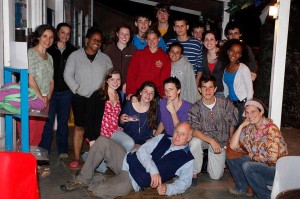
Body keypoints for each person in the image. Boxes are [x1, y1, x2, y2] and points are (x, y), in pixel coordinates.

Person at [61, 122, 194, 198]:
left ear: (189, 138)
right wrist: (153, 170)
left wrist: (168, 188)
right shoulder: (162, 138)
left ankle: (96, 179)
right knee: (102, 141)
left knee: (100, 191)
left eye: (183, 134)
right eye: (177, 131)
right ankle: (83, 179)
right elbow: (142, 150)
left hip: (134, 179)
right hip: (126, 160)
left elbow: (185, 183)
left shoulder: (187, 159)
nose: (177, 136)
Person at [64, 27, 113, 168]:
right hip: (80, 97)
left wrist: (105, 92)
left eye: (99, 41)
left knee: (96, 129)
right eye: (94, 40)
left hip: (98, 99)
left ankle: (94, 159)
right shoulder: (75, 56)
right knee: (79, 128)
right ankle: (77, 157)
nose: (97, 43)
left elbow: (110, 77)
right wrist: (77, 88)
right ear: (87, 40)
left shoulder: (105, 58)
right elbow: (67, 75)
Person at [227, 99, 288, 199]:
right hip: (260, 164)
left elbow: (272, 159)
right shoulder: (250, 127)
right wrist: (241, 126)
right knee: (231, 155)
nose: (250, 115)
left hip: (276, 170)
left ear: (261, 112)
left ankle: (265, 196)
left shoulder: (272, 130)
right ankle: (242, 187)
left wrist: (254, 157)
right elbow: (233, 146)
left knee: (248, 166)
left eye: (253, 111)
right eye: (247, 112)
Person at [187, 75, 238, 186]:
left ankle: (209, 162)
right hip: (204, 140)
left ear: (215, 89)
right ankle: (194, 172)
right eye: (204, 87)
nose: (207, 90)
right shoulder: (195, 107)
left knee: (215, 176)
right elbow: (194, 131)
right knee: (194, 142)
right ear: (200, 89)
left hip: (221, 141)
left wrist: (230, 141)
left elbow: (232, 122)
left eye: (210, 87)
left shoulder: (225, 103)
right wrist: (211, 141)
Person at [39, 23, 77, 158]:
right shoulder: (49, 50)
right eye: (62, 32)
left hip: (66, 92)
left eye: (68, 33)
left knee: (63, 123)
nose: (65, 36)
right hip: (50, 93)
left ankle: (62, 150)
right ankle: (44, 151)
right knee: (47, 123)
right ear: (57, 33)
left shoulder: (73, 51)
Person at [83, 68, 132, 172]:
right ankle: (88, 155)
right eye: (112, 79)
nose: (115, 82)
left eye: (118, 79)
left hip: (114, 130)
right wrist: (92, 140)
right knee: (103, 169)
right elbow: (88, 119)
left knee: (130, 143)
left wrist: (121, 119)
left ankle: (121, 164)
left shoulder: (119, 95)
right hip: (101, 133)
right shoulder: (97, 95)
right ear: (106, 80)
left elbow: (116, 115)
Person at [17, 24, 55, 146]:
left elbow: (51, 80)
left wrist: (48, 97)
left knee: (39, 134)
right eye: (45, 36)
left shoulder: (49, 57)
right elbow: (30, 79)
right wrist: (41, 98)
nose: (48, 40)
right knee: (28, 134)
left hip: (44, 100)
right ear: (38, 37)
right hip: (30, 98)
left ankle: (33, 163)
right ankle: (22, 163)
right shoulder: (30, 54)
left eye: (51, 37)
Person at [126, 28, 171, 98]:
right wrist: (130, 92)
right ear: (146, 40)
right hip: (138, 93)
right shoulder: (138, 54)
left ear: (159, 39)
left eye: (154, 38)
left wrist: (163, 94)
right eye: (149, 39)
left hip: (155, 95)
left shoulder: (165, 58)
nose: (152, 41)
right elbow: (131, 74)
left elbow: (165, 78)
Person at [219, 39, 254, 125]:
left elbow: (250, 92)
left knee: (240, 130)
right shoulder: (226, 68)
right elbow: (226, 88)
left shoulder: (244, 69)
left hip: (242, 105)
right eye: (232, 51)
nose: (234, 54)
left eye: (238, 52)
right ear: (228, 51)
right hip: (232, 105)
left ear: (241, 55)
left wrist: (246, 111)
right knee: (232, 130)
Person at [120, 81, 160, 151]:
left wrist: (151, 140)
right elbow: (121, 124)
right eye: (146, 91)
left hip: (144, 143)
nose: (148, 95)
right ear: (140, 92)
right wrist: (121, 120)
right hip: (127, 141)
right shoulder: (129, 104)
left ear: (153, 96)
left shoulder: (155, 109)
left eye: (151, 93)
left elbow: (155, 129)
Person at [166, 17, 203, 87]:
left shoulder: (196, 44)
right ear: (174, 28)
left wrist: (196, 81)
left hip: (191, 82)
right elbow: (167, 62)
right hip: (173, 83)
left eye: (182, 26)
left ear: (187, 27)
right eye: (177, 26)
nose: (180, 29)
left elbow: (200, 66)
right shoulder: (169, 43)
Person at [103, 24, 136, 93]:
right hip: (111, 85)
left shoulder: (133, 50)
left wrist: (127, 83)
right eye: (122, 33)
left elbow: (135, 69)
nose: (124, 36)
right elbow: (103, 67)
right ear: (117, 34)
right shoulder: (109, 49)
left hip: (126, 86)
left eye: (127, 34)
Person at [202, 30, 225, 97]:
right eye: (206, 39)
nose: (209, 42)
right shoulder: (202, 55)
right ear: (203, 42)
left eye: (212, 39)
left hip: (221, 91)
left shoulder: (224, 54)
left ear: (216, 42)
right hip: (207, 92)